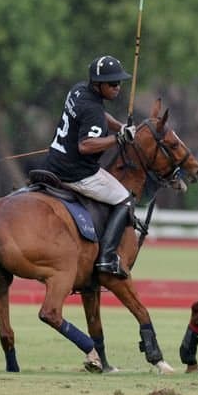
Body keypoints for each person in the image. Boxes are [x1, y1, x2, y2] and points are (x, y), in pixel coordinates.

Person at [43, 55, 140, 277]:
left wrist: (120, 127)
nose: (118, 87)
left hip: (53, 162)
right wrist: (119, 139)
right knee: (125, 199)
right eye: (112, 83)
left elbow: (100, 115)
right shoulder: (93, 109)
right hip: (76, 172)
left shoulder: (79, 90)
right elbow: (86, 145)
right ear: (98, 84)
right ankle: (107, 258)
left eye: (119, 82)